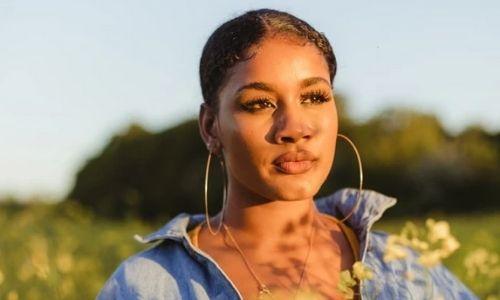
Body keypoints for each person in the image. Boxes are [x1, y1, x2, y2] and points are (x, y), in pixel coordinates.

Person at [97, 8, 477, 300]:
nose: (295, 128)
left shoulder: (405, 266)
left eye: (314, 97)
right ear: (211, 127)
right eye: (259, 103)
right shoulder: (147, 284)